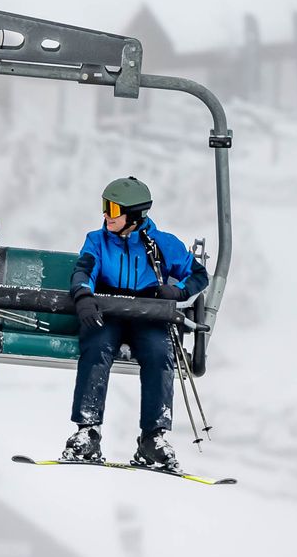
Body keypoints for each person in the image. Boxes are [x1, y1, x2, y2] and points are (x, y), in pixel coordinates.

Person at [63, 176, 209, 474]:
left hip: (147, 312)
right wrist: (83, 295)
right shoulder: (97, 240)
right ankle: (88, 430)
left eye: (113, 209)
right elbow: (84, 269)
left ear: (134, 215)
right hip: (109, 308)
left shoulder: (162, 244)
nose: (105, 214)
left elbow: (198, 275)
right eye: (105, 206)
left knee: (159, 352)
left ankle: (152, 437)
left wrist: (178, 292)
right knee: (97, 345)